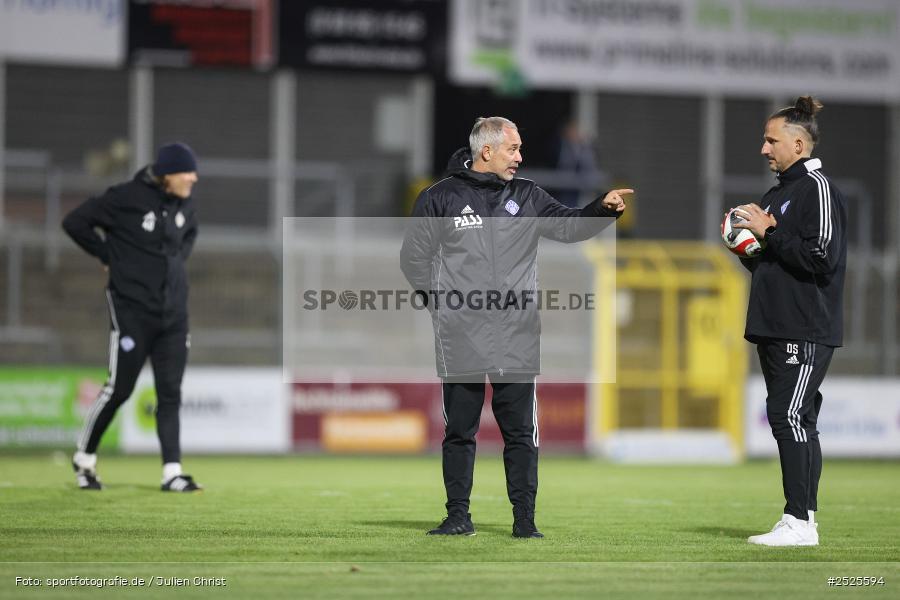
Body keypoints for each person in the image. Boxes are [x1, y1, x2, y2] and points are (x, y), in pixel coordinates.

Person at [401, 117, 630, 537]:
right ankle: (458, 517)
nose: (520, 157)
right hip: (460, 335)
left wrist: (602, 209)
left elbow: (569, 225)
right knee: (459, 431)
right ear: (486, 151)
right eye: (513, 149)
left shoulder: (527, 195)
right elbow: (413, 258)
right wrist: (441, 308)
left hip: (517, 333)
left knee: (521, 433)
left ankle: (525, 521)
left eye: (520, 148)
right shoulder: (439, 197)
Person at [732, 96, 846, 546]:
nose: (764, 148)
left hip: (804, 326)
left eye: (771, 140)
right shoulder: (776, 194)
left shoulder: (817, 188)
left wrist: (769, 232)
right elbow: (774, 265)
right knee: (798, 418)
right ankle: (804, 520)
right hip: (775, 325)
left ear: (798, 145)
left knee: (789, 415)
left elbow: (822, 256)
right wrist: (746, 248)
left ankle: (798, 522)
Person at [63, 142, 202, 493]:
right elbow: (74, 222)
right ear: (168, 173)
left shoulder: (184, 203)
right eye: (187, 172)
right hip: (132, 311)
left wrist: (174, 265)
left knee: (170, 394)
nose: (193, 178)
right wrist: (106, 254)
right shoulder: (125, 198)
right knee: (119, 389)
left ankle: (172, 472)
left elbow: (189, 234)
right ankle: (84, 458)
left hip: (174, 316)